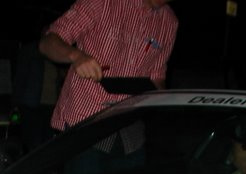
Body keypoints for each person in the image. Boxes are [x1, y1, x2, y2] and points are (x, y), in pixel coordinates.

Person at [39, 0, 177, 132]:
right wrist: (76, 56)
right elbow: (47, 43)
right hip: (85, 122)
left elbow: (157, 77)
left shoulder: (170, 22)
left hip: (130, 130)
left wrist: (166, 99)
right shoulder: (103, 2)